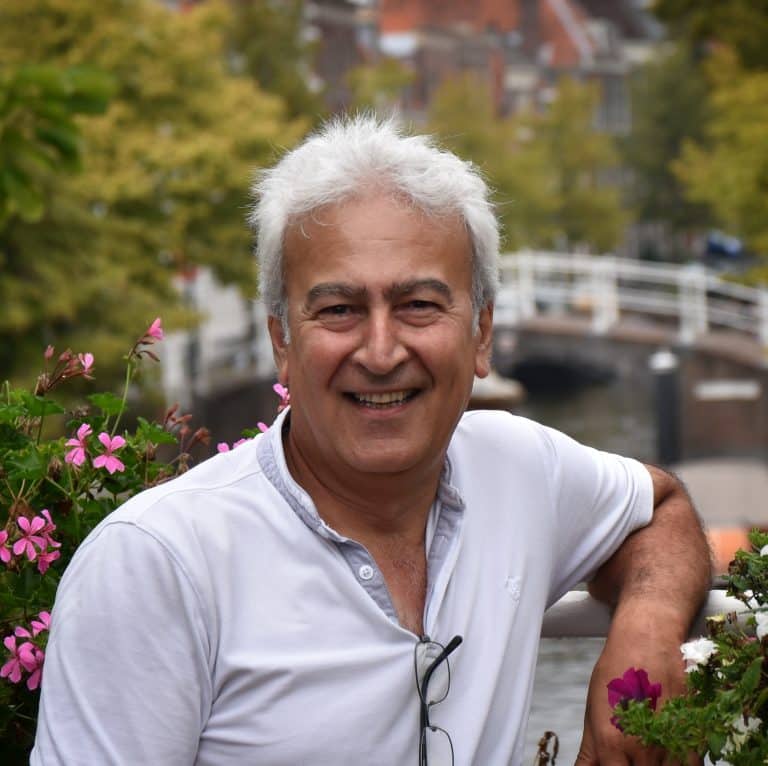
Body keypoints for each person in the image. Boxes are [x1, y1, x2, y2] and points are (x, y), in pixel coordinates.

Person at [32, 116, 710, 765]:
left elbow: (662, 509)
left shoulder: (520, 469)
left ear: (481, 333)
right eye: (339, 310)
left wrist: (646, 631)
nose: (381, 352)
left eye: (418, 305)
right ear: (281, 341)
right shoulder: (157, 565)